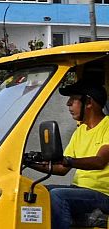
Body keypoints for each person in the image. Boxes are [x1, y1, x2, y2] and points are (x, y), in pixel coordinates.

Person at [31, 80, 109, 229]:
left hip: (103, 194)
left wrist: (68, 161)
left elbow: (100, 161)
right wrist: (28, 162)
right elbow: (61, 168)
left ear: (89, 102)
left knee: (58, 195)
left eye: (73, 99)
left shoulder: (107, 126)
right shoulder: (80, 131)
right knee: (40, 191)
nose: (68, 104)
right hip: (80, 190)